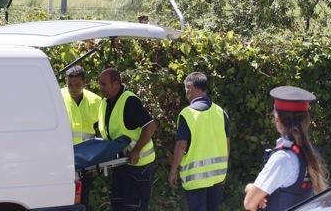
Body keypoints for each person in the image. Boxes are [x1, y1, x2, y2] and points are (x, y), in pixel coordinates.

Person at [244, 86, 328, 211]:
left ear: (277, 119)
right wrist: (253, 189)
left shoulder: (283, 158)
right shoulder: (307, 153)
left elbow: (249, 203)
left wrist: (251, 188)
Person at [168, 72, 229, 211]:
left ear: (190, 87)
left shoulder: (187, 114)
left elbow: (181, 145)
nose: (186, 94)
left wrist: (173, 171)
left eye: (186, 90)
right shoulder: (220, 112)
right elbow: (227, 143)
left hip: (196, 180)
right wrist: (224, 169)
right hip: (217, 176)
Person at [98, 68, 157, 211]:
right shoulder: (106, 103)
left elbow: (151, 126)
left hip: (139, 167)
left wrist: (136, 151)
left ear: (116, 84)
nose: (100, 88)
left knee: (133, 207)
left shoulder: (129, 101)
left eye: (104, 84)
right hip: (121, 164)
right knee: (119, 206)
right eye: (99, 84)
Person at [61, 65, 101, 210]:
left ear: (84, 83)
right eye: (70, 84)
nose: (73, 88)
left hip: (86, 159)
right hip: (63, 158)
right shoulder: (58, 97)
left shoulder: (96, 101)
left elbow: (102, 131)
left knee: (83, 198)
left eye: (77, 85)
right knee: (63, 197)